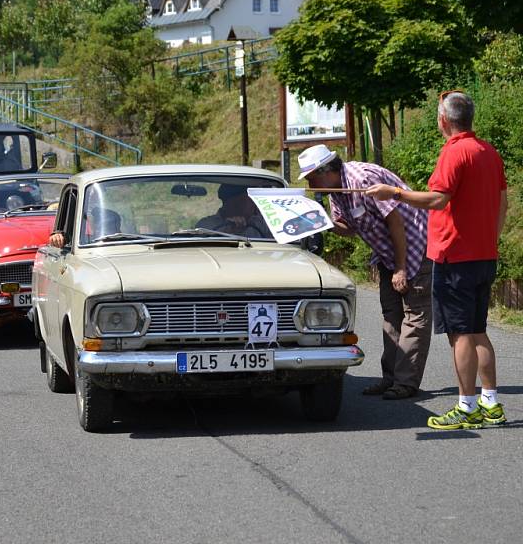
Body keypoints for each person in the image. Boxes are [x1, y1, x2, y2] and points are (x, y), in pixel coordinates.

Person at [366, 91, 508, 428]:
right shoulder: (488, 151)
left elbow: (437, 200)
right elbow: (503, 202)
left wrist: (394, 193)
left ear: (443, 120)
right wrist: (491, 240)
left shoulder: (454, 152)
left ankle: (466, 406)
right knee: (477, 331)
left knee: (459, 334)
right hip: (483, 255)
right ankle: (490, 402)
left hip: (454, 256)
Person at [298, 144, 431, 400]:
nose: (312, 185)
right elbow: (348, 228)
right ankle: (391, 379)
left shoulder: (362, 178)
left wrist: (401, 267)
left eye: (312, 178)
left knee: (415, 315)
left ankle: (406, 383)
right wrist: (322, 222)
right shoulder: (336, 190)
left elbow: (396, 221)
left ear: (326, 171)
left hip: (414, 246)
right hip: (386, 253)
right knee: (391, 314)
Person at [196, 184, 270, 238]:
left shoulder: (261, 224)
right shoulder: (206, 225)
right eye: (248, 200)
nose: (254, 203)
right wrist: (229, 231)